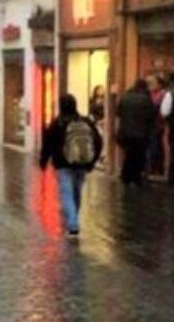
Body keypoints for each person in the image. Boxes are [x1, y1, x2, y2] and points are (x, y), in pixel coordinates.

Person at [39, 94, 103, 240]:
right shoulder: (85, 121)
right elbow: (98, 141)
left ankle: (73, 224)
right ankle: (72, 218)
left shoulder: (58, 123)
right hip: (82, 163)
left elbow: (47, 143)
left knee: (66, 193)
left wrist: (43, 161)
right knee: (76, 192)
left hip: (63, 164)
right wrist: (92, 161)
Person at [116, 79, 155, 186]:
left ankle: (126, 176)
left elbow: (118, 114)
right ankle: (135, 177)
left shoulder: (125, 98)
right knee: (138, 156)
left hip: (125, 133)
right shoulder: (146, 100)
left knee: (128, 154)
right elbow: (151, 116)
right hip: (140, 134)